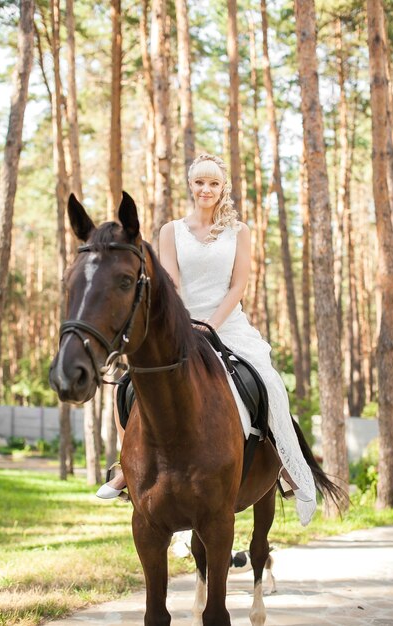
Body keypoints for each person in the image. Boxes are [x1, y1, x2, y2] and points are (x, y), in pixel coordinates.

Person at [97, 153, 316, 526]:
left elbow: (238, 285)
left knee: (268, 382)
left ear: (222, 188)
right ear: (191, 185)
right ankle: (125, 468)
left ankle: (281, 463)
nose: (206, 189)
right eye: (200, 182)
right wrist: (185, 324)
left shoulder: (239, 232)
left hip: (227, 324)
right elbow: (172, 283)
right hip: (180, 324)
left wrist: (211, 325)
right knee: (127, 386)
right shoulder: (170, 231)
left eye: (213, 183)